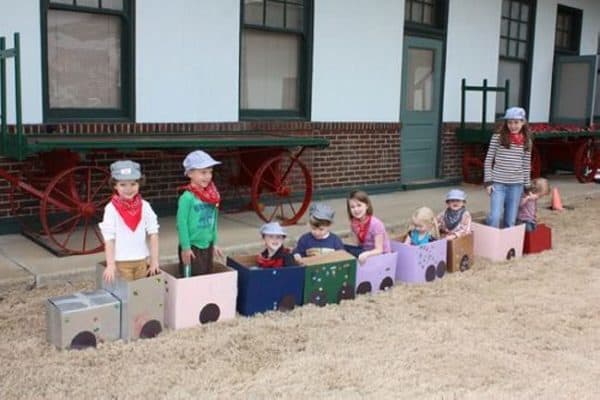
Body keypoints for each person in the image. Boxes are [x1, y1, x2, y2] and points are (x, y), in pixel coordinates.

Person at [99, 160, 160, 283]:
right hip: (121, 262)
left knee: (140, 294)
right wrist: (110, 264)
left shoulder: (145, 206)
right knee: (125, 295)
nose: (128, 189)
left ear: (139, 184)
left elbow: (153, 233)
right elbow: (109, 239)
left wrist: (154, 261)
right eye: (123, 185)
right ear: (115, 185)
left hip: (141, 260)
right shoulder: (111, 209)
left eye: (133, 184)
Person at [484, 106, 532, 228]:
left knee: (510, 220)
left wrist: (527, 186)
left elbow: (526, 165)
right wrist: (488, 182)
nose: (513, 126)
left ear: (523, 122)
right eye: (509, 122)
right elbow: (489, 159)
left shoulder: (527, 141)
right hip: (498, 184)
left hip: (516, 185)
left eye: (516, 122)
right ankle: (490, 241)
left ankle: (506, 246)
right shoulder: (498, 137)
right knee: (495, 216)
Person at [177, 150, 223, 276]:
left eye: (210, 172)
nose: (208, 176)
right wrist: (186, 247)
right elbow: (181, 224)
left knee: (205, 278)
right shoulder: (187, 198)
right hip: (192, 247)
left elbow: (214, 221)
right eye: (203, 172)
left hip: (207, 245)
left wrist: (215, 243)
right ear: (190, 173)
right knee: (191, 282)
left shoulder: (213, 196)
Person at [346, 190, 391, 264]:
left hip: (380, 255)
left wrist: (365, 254)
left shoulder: (376, 224)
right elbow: (358, 244)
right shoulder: (354, 223)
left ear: (366, 205)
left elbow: (379, 250)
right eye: (352, 207)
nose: (356, 209)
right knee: (342, 247)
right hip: (365, 250)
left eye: (359, 205)